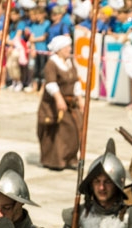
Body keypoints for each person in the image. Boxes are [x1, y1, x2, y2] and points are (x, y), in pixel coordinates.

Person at [37, 34, 83, 170]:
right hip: (54, 104)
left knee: (75, 128)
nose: (69, 49)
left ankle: (70, 159)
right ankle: (55, 161)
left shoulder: (69, 62)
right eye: (67, 47)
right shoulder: (52, 63)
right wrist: (58, 98)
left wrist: (80, 99)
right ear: (59, 49)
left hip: (70, 103)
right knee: (58, 132)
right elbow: (51, 83)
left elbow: (75, 81)